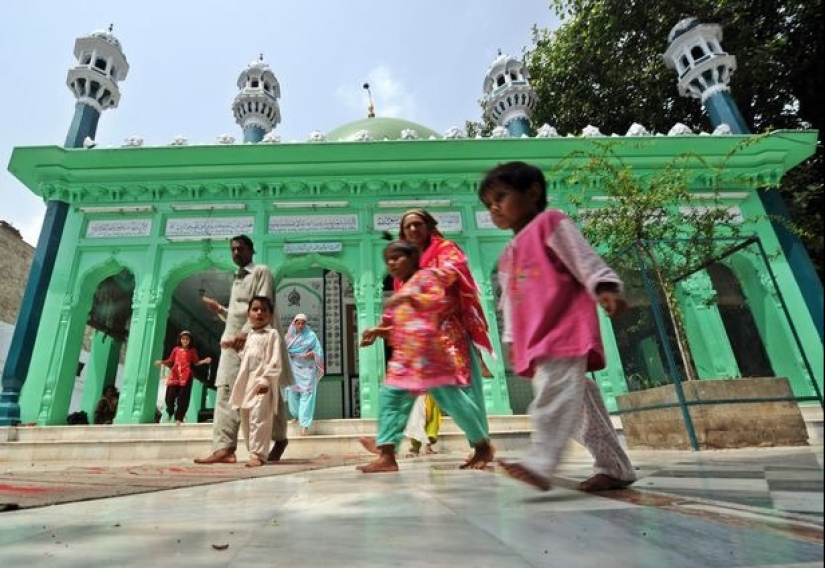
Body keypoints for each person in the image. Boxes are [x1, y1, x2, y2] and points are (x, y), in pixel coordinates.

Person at [477, 160, 636, 492]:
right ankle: (615, 467)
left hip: (564, 330)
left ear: (533, 193)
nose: (495, 208)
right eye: (489, 204)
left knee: (552, 397)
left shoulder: (551, 224)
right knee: (580, 406)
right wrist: (509, 338)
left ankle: (540, 460)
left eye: (502, 197)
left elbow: (584, 258)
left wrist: (605, 288)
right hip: (536, 341)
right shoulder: (508, 254)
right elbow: (508, 299)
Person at [360, 210, 495, 468]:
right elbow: (398, 314)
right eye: (407, 226)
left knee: (458, 395)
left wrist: (415, 290)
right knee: (393, 395)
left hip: (443, 338)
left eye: (417, 224)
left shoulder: (438, 258)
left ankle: (481, 444)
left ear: (429, 226)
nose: (412, 230)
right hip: (408, 352)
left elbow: (443, 284)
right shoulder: (404, 277)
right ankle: (386, 449)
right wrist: (380, 329)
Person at [195, 235, 290, 465]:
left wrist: (246, 332)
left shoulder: (260, 272)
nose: (236, 253)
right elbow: (239, 315)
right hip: (231, 344)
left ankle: (278, 438)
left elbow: (262, 307)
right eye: (233, 249)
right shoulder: (237, 279)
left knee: (264, 392)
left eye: (241, 248)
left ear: (251, 250)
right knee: (226, 391)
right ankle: (224, 447)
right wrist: (219, 309)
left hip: (256, 340)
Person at [230, 296, 294, 467]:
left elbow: (274, 359)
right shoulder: (250, 336)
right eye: (255, 309)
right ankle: (253, 452)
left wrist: (266, 379)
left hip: (262, 383)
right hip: (246, 383)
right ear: (248, 314)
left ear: (271, 315)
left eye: (264, 310)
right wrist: (237, 351)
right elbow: (248, 359)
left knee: (260, 418)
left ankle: (258, 454)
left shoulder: (272, 334)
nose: (259, 313)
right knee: (246, 418)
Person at [154, 330, 212, 424]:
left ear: (190, 341)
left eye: (187, 339)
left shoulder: (192, 351)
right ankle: (170, 411)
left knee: (183, 399)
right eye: (183, 339)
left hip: (186, 376)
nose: (185, 341)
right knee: (169, 397)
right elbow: (170, 360)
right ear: (180, 339)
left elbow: (196, 362)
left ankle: (179, 418)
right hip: (175, 375)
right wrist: (161, 362)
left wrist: (205, 361)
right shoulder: (176, 349)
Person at [284, 313, 325, 436]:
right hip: (293, 369)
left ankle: (304, 425)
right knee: (292, 395)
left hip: (308, 370)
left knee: (307, 395)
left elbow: (319, 352)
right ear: (294, 323)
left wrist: (312, 355)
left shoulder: (311, 336)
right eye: (298, 323)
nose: (301, 325)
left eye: (303, 323)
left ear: (306, 324)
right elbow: (282, 352)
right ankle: (298, 416)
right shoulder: (288, 337)